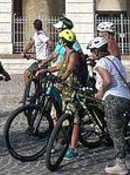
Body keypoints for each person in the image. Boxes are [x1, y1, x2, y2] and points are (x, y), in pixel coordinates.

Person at [88, 37, 130, 175]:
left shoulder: (101, 63)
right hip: (125, 96)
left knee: (116, 133)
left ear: (96, 52)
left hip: (114, 99)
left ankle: (121, 165)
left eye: (92, 51)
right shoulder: (115, 60)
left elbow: (107, 80)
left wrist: (101, 93)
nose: (91, 54)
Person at [54, 29, 84, 162]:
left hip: (72, 89)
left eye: (61, 39)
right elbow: (60, 66)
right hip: (65, 89)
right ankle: (63, 138)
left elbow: (70, 68)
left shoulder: (73, 54)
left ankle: (73, 148)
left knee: (75, 118)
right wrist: (46, 69)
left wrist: (62, 78)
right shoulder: (66, 52)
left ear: (64, 41)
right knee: (62, 114)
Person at [22, 19, 52, 95]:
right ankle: (28, 94)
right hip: (39, 60)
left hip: (43, 61)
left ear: (34, 26)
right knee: (28, 75)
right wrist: (24, 52)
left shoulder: (41, 35)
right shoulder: (37, 34)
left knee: (28, 74)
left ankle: (32, 94)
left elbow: (50, 43)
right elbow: (31, 43)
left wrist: (53, 53)